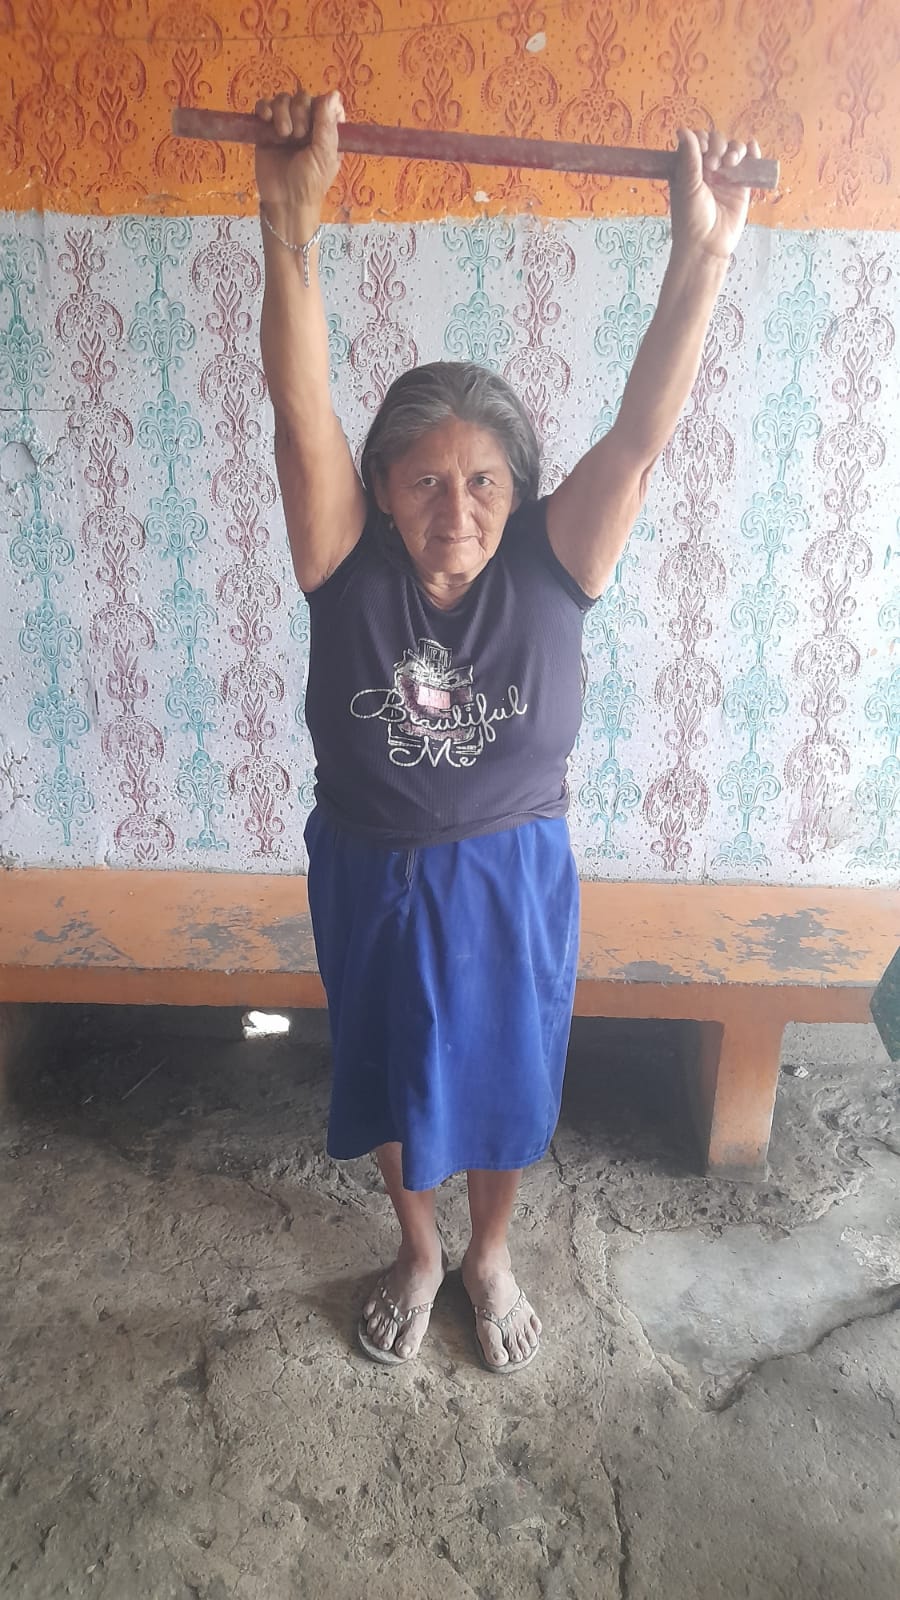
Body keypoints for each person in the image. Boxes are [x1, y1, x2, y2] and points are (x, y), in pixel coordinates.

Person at [255, 86, 760, 1371]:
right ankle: (418, 1247)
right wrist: (288, 225)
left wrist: (701, 255)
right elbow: (301, 412)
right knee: (387, 1070)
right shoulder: (343, 562)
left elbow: (639, 437)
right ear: (381, 488)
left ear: (519, 490)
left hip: (513, 872)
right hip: (371, 866)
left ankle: (489, 1252)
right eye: (425, 479)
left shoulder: (554, 560)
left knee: (508, 1078)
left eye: (483, 480)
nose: (455, 508)